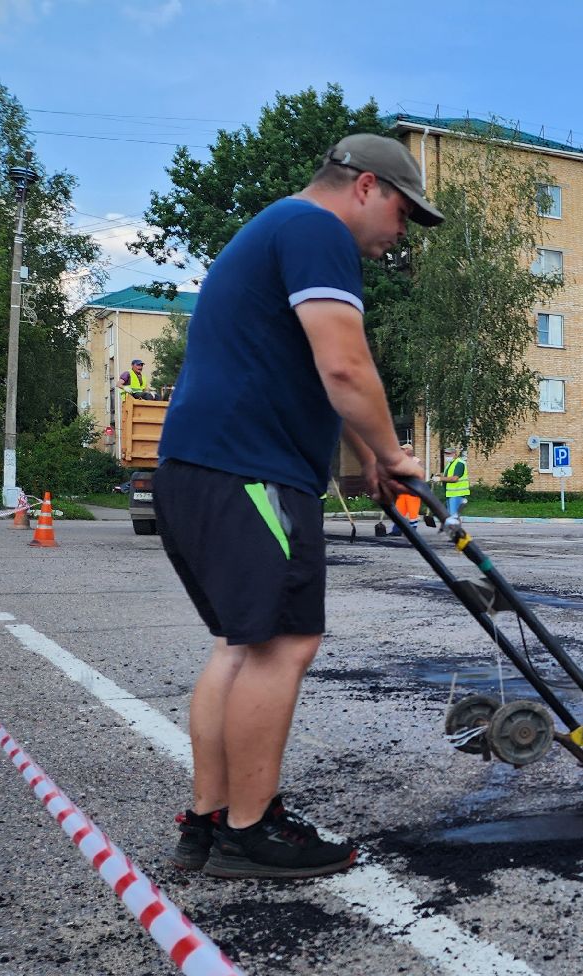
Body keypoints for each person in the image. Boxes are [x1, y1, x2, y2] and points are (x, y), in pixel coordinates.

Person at [154, 133, 441, 880]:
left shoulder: (274, 227)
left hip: (200, 467)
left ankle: (213, 820)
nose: (398, 237)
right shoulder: (316, 231)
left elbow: (318, 376)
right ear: (367, 187)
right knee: (284, 645)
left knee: (242, 645)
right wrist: (400, 454)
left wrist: (375, 456)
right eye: (404, 216)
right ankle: (253, 830)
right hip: (250, 469)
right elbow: (345, 365)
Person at [391, 441, 423, 530]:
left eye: (403, 449)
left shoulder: (416, 461)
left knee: (413, 511)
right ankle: (396, 530)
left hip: (412, 491)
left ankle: (413, 531)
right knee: (399, 511)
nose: (402, 451)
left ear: (409, 450)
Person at [437, 446, 469, 526]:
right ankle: (458, 534)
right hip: (451, 493)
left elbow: (454, 478)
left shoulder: (459, 464)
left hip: (457, 493)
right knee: (454, 516)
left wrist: (440, 479)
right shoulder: (451, 464)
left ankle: (457, 534)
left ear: (455, 454)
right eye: (446, 454)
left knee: (453, 516)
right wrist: (440, 475)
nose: (447, 456)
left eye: (449, 454)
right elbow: (448, 475)